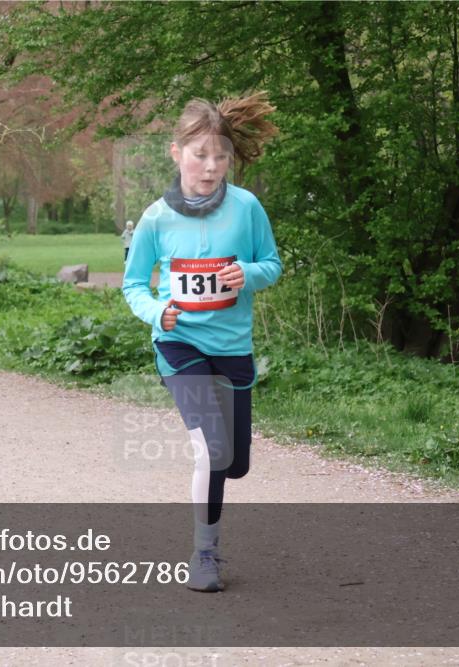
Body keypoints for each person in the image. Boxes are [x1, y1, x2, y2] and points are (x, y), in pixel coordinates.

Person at [122, 93, 280, 592]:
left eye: (221, 157)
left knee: (235, 462)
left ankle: (213, 500)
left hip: (232, 348)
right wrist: (158, 312)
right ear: (176, 153)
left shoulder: (247, 208)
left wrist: (246, 275)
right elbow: (132, 286)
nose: (211, 167)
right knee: (211, 451)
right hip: (180, 344)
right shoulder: (155, 218)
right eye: (200, 155)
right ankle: (204, 556)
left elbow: (271, 266)